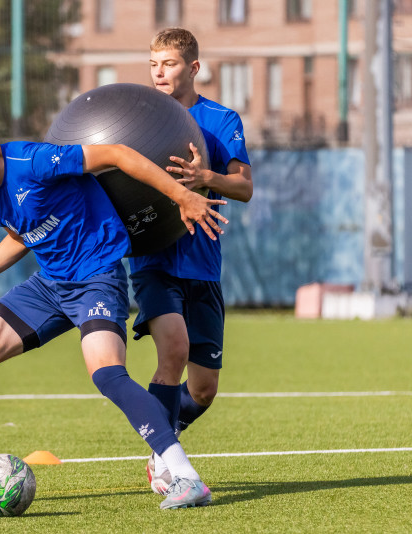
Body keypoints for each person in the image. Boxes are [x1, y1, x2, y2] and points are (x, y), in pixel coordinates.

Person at [0, 98, 227, 509]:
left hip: (96, 277)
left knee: (108, 375)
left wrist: (181, 195)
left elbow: (117, 154)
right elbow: (21, 235)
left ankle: (186, 478)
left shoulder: (34, 161)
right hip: (50, 285)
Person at [132, 28, 253, 494]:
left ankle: (165, 436)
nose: (159, 73)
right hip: (155, 262)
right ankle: (167, 458)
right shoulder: (137, 119)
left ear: (194, 67)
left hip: (203, 266)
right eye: (153, 64)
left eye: (169, 64)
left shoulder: (221, 120)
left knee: (204, 389)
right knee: (174, 351)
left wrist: (206, 177)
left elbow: (244, 187)